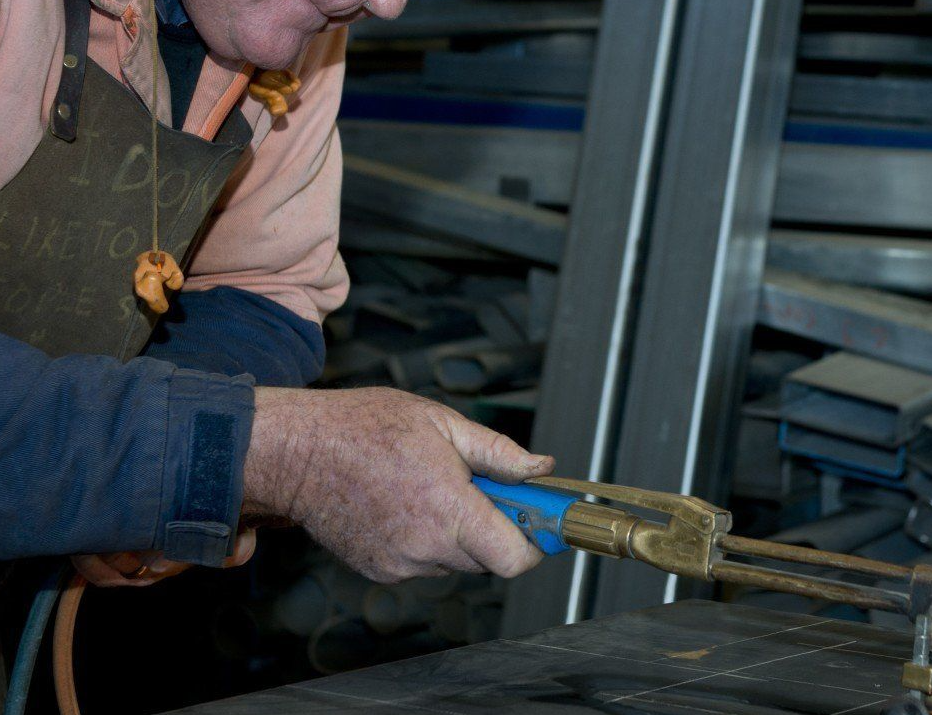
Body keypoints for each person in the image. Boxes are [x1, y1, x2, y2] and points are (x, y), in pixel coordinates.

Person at [0, 0, 553, 588]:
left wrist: (140, 491)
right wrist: (275, 458)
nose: (388, 8)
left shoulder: (288, 29)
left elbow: (265, 291)